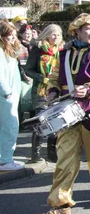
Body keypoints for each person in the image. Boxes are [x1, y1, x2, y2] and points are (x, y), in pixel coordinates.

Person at [38, 14, 90, 214]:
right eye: (88, 29)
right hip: (67, 110)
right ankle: (60, 201)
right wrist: (53, 90)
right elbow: (54, 77)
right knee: (65, 156)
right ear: (77, 31)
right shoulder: (63, 54)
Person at [24, 24, 64, 163]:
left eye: (58, 35)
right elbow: (28, 70)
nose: (56, 37)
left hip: (55, 90)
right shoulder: (38, 49)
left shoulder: (61, 51)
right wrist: (43, 78)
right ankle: (35, 154)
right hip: (40, 90)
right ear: (46, 34)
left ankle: (52, 155)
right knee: (41, 120)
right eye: (53, 34)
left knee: (55, 121)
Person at [0, 21, 24, 171]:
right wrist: (7, 92)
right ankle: (5, 160)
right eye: (10, 35)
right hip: (6, 96)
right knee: (10, 126)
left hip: (9, 95)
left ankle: (4, 158)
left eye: (14, 35)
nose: (13, 38)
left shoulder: (6, 50)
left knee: (6, 127)